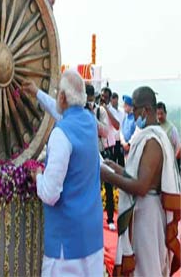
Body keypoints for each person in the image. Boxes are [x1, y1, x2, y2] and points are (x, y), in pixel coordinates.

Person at [23, 70, 104, 277]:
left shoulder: (60, 134)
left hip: (66, 249)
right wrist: (37, 93)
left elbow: (50, 194)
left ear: (62, 97)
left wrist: (37, 175)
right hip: (92, 240)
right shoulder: (88, 122)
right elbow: (61, 112)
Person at [101, 87, 181, 277]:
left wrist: (107, 176)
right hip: (144, 212)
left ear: (145, 110)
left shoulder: (153, 140)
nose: (133, 114)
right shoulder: (149, 136)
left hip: (148, 215)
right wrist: (115, 168)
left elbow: (142, 186)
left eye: (135, 109)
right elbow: (134, 175)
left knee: (147, 269)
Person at [98, 87, 123, 231]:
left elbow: (117, 125)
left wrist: (106, 109)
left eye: (106, 97)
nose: (104, 98)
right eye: (102, 96)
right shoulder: (95, 109)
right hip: (98, 148)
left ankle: (110, 218)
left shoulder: (112, 111)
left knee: (108, 185)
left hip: (109, 150)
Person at [157, 102, 181, 171]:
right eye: (158, 114)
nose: (159, 116)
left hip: (170, 165)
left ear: (166, 113)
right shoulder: (155, 127)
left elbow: (178, 148)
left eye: (161, 113)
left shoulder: (172, 129)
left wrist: (172, 163)